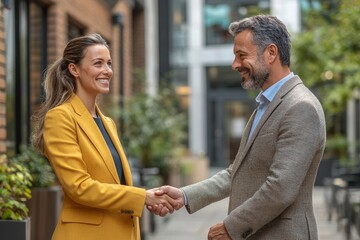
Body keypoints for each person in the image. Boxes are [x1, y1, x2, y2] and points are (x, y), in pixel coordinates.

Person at [150, 15, 326, 240]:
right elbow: (238, 171)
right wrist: (184, 195)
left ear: (271, 53)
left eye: (242, 55)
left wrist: (231, 227)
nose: (235, 65)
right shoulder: (267, 104)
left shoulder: (300, 106)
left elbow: (281, 187)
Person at [31, 33, 178, 240]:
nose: (107, 71)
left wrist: (148, 198)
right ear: (74, 69)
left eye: (109, 63)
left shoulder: (108, 123)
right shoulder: (61, 117)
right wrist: (142, 197)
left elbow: (115, 183)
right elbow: (79, 187)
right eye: (98, 63)